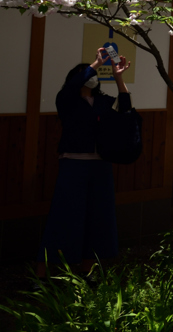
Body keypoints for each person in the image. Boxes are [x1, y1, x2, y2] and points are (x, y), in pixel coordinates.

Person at [36, 47, 132, 277]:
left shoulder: (103, 101)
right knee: (63, 216)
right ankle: (42, 272)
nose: (91, 76)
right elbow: (71, 87)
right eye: (86, 73)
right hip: (73, 163)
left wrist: (118, 77)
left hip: (101, 165)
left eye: (93, 74)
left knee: (97, 217)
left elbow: (126, 106)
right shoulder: (67, 101)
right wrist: (96, 63)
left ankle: (87, 271)